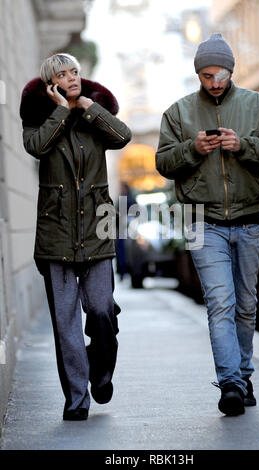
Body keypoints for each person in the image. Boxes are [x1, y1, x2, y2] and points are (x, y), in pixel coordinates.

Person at [155, 34, 259, 416]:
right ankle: (230, 383)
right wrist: (191, 150)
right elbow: (164, 162)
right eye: (207, 75)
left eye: (221, 74)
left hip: (249, 219)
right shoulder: (178, 113)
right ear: (198, 74)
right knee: (220, 303)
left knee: (246, 305)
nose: (215, 82)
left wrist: (242, 145)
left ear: (232, 70)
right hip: (201, 221)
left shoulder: (258, 105)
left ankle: (244, 376)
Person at [20, 53, 132, 420]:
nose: (71, 78)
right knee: (66, 324)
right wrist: (61, 111)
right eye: (62, 75)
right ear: (50, 84)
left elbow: (122, 135)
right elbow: (37, 147)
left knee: (100, 310)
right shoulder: (39, 117)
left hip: (97, 231)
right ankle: (77, 398)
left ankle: (102, 369)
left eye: (74, 73)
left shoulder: (93, 114)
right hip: (56, 234)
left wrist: (85, 106)